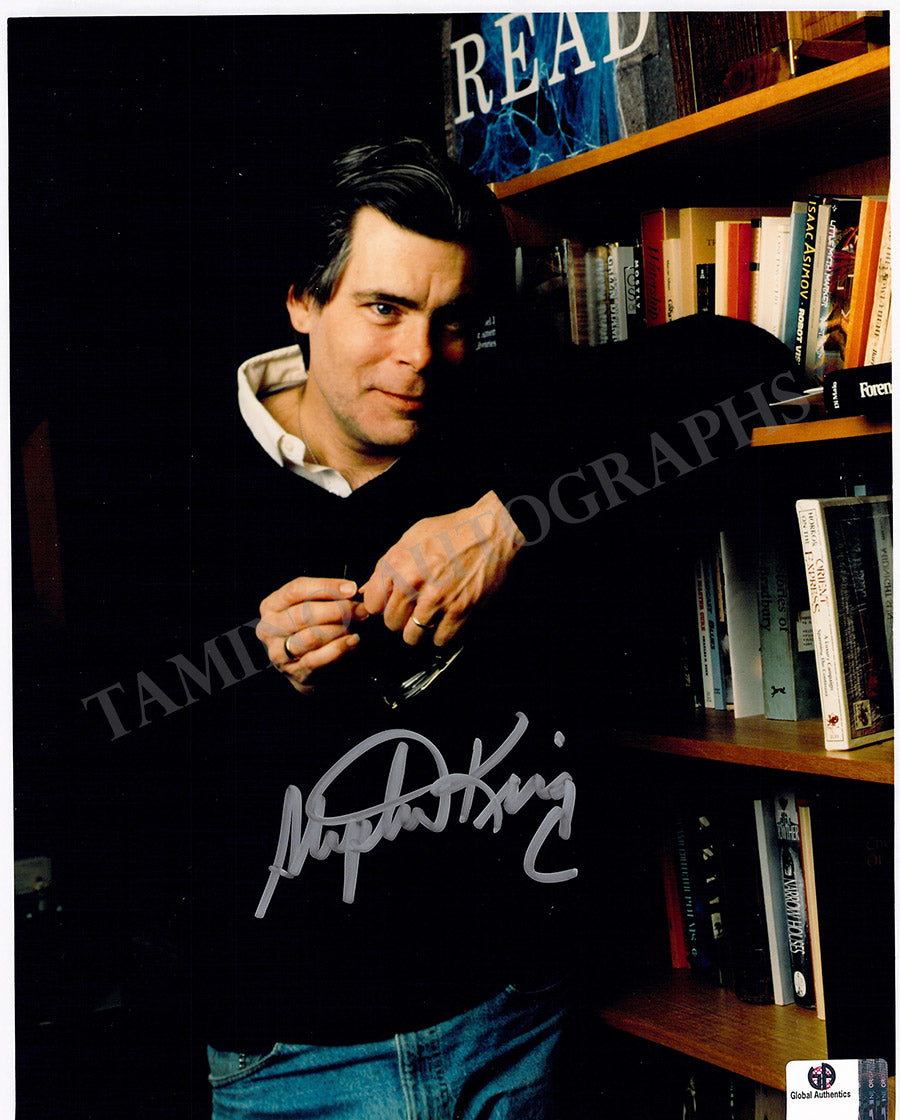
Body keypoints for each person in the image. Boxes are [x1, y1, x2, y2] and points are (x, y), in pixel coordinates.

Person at [191, 138, 584, 1119]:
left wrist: (509, 520)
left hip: (510, 1023)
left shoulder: (493, 418)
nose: (419, 358)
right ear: (302, 301)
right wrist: (249, 659)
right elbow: (93, 744)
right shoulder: (177, 474)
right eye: (384, 308)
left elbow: (745, 367)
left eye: (451, 321)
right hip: (291, 1064)